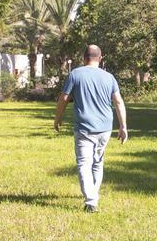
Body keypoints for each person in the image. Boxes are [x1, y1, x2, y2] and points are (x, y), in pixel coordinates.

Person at [53, 45, 128, 212]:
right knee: (97, 162)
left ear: (83, 58)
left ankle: (91, 200)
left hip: (84, 127)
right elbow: (118, 102)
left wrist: (57, 118)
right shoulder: (109, 77)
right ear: (100, 58)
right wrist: (123, 127)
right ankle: (93, 193)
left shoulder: (75, 74)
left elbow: (63, 98)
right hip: (105, 128)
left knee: (83, 163)